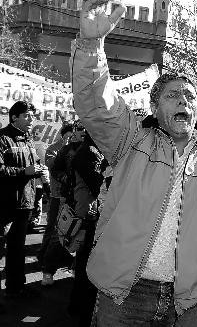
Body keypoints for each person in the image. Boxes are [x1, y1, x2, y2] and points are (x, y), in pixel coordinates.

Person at [71, 0, 197, 326]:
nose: (184, 101)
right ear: (155, 107)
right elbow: (94, 103)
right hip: (124, 297)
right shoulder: (131, 139)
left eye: (190, 96)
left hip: (185, 302)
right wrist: (90, 47)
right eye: (173, 95)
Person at [0, 101, 47, 298]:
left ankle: (16, 287)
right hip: (5, 203)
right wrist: (24, 171)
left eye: (32, 116)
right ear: (14, 117)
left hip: (25, 202)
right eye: (27, 116)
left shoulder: (27, 139)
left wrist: (41, 170)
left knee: (17, 248)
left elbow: (34, 163)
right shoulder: (2, 138)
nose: (31, 120)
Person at [67, 133, 108, 327]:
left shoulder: (92, 150)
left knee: (84, 262)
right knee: (87, 264)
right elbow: (98, 184)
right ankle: (83, 310)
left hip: (88, 211)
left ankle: (77, 305)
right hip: (88, 213)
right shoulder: (89, 153)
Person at [38, 121, 75, 283]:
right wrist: (65, 151)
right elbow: (52, 167)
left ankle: (63, 259)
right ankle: (43, 257)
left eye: (71, 137)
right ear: (62, 136)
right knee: (52, 228)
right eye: (67, 137)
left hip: (72, 197)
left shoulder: (77, 148)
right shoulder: (54, 148)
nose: (69, 139)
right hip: (56, 195)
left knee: (70, 231)